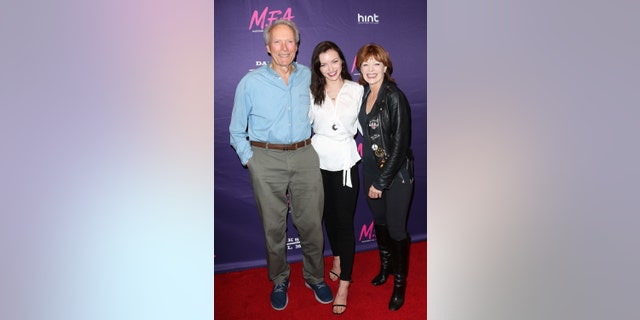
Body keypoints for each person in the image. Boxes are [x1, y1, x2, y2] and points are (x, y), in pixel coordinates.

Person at [229, 19, 333, 311]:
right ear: (267, 47)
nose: (284, 47)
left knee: (311, 223)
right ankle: (279, 279)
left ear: (297, 46)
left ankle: (314, 276)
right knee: (274, 228)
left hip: (304, 155)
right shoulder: (250, 82)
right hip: (266, 159)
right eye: (278, 42)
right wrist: (251, 160)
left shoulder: (311, 77)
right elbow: (236, 130)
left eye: (290, 41)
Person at [355, 43, 415, 311]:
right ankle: (386, 268)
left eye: (376, 64)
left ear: (385, 67)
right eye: (365, 64)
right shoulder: (363, 93)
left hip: (397, 173)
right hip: (371, 169)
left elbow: (401, 146)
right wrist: (373, 177)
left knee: (396, 228)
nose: (370, 70)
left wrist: (382, 182)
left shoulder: (394, 96)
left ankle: (399, 284)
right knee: (379, 222)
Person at [308, 41, 363, 316]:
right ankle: (338, 260)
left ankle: (344, 285)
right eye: (324, 63)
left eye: (334, 61)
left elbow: (370, 125)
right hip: (317, 164)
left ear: (343, 61)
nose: (330, 68)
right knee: (328, 217)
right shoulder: (311, 91)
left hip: (344, 163)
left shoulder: (357, 90)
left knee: (344, 223)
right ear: (318, 67)